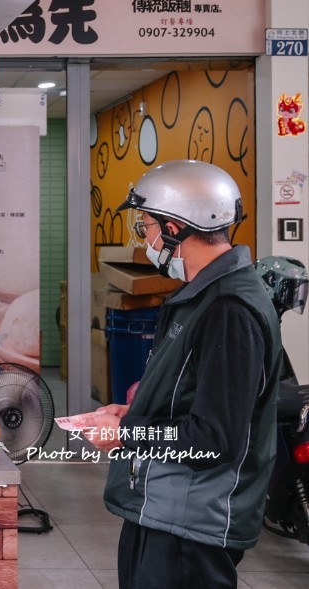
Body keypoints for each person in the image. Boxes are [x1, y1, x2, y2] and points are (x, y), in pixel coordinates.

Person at [82, 160, 283, 589]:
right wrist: (132, 413)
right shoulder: (203, 297)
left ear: (175, 227)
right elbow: (191, 398)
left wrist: (127, 436)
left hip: (192, 525)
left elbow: (215, 437)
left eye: (147, 226)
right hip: (167, 509)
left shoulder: (229, 310)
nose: (147, 239)